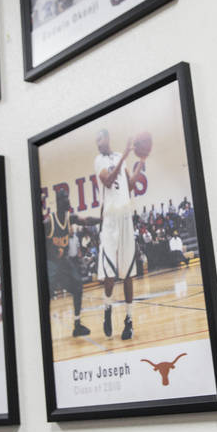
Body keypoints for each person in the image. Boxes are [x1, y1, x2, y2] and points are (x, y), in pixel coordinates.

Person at [94, 129, 146, 340]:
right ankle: (108, 310)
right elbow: (108, 181)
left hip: (125, 218)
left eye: (100, 139)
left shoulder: (119, 158)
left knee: (127, 273)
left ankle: (129, 320)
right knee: (109, 273)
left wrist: (141, 161)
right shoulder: (98, 160)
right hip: (109, 219)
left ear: (108, 138)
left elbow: (130, 185)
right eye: (96, 140)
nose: (98, 143)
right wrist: (126, 153)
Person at [44, 187, 100, 337]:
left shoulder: (70, 217)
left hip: (64, 264)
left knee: (78, 287)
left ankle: (77, 325)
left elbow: (86, 220)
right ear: (58, 202)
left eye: (67, 197)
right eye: (64, 198)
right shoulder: (49, 222)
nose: (67, 200)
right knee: (46, 296)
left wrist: (102, 218)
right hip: (51, 265)